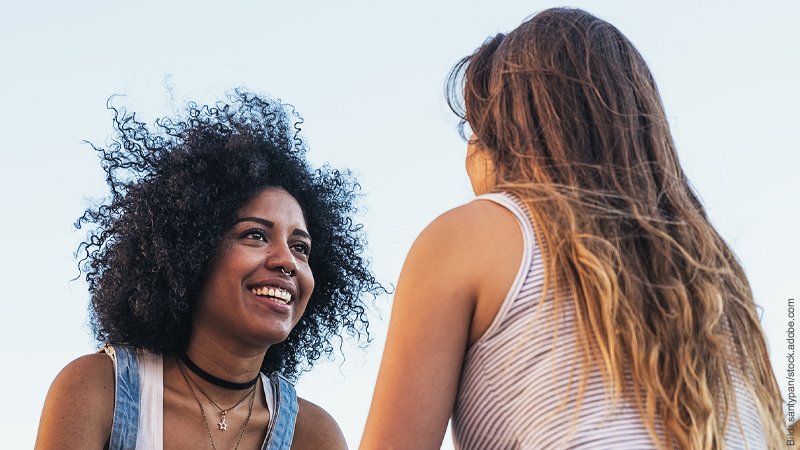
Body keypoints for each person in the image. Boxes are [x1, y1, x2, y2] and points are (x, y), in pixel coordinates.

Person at [361, 8, 782, 450]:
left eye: (476, 126)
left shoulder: (467, 239)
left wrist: (493, 196)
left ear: (505, 131)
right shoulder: (721, 284)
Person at [36, 91, 382, 449]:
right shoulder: (97, 390)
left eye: (300, 247)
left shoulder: (313, 435)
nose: (286, 261)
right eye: (256, 235)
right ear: (192, 250)